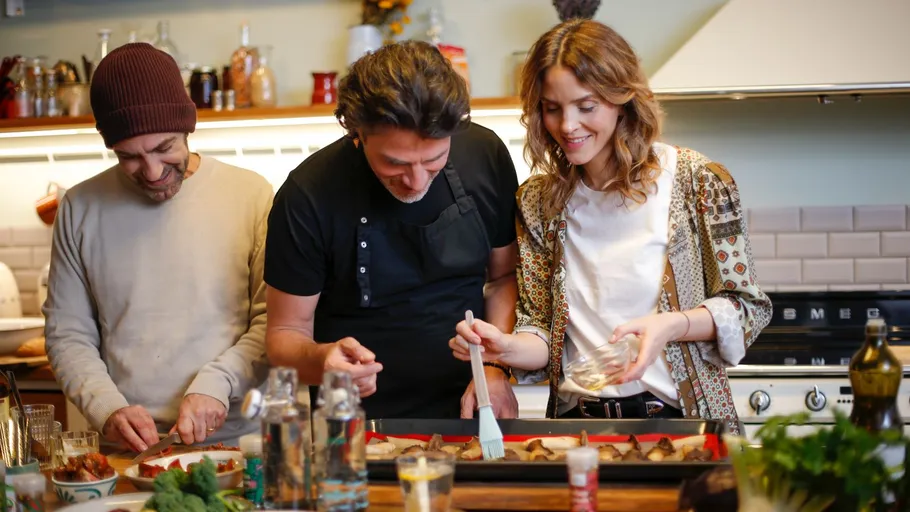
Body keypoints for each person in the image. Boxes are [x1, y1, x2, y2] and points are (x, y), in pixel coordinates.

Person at [449, 19, 772, 433]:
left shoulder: (698, 181)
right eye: (552, 108)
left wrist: (671, 326)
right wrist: (505, 348)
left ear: (623, 99)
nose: (567, 126)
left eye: (586, 106)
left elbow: (748, 308)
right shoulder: (537, 203)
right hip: (575, 429)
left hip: (682, 425)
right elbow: (542, 331)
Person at [264, 40, 520, 419]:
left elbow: (503, 277)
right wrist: (322, 360)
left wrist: (496, 371)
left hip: (474, 405)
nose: (416, 182)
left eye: (434, 160)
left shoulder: (485, 155)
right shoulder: (307, 194)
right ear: (357, 133)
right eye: (394, 163)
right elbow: (284, 335)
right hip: (356, 424)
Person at [44, 43, 272, 453]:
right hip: (126, 452)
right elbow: (68, 335)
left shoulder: (251, 194)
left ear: (188, 126)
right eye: (129, 157)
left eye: (165, 148)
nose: (151, 172)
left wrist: (216, 385)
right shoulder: (79, 208)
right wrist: (108, 408)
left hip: (239, 445)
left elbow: (271, 321)